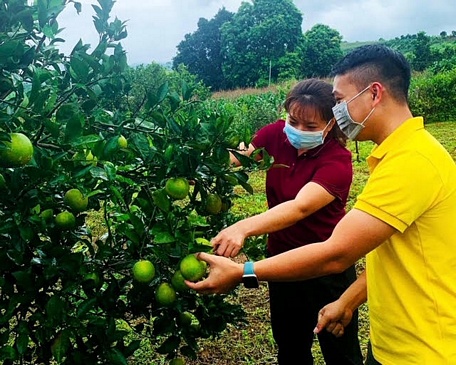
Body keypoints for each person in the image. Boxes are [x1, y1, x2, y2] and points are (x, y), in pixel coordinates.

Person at [186, 44, 456, 365]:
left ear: (374, 94)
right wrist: (348, 299)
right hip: (393, 344)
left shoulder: (412, 162)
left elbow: (336, 253)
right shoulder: (398, 154)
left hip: (423, 351)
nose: (338, 110)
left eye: (341, 101)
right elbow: (395, 254)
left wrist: (242, 272)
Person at [212, 78, 363, 365]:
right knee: (291, 346)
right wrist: (201, 165)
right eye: (293, 121)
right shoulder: (274, 136)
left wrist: (243, 227)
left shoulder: (337, 160)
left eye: (310, 127)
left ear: (331, 125)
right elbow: (238, 161)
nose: (298, 131)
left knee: (340, 352)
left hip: (325, 266)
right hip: (282, 262)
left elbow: (300, 207)